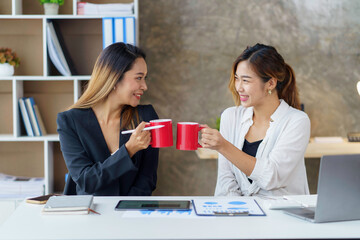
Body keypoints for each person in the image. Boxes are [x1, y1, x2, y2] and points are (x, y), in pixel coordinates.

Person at [201, 43, 310, 196]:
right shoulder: (230, 117)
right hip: (239, 215)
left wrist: (223, 146)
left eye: (246, 80)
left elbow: (272, 177)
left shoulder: (297, 121)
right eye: (237, 79)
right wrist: (238, 212)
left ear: (270, 83)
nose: (238, 87)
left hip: (282, 217)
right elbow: (226, 181)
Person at [57, 43, 159, 196]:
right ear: (114, 77)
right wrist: (129, 150)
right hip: (90, 212)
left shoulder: (145, 117)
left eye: (144, 78)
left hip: (130, 212)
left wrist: (125, 209)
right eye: (139, 78)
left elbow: (147, 178)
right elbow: (86, 181)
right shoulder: (70, 122)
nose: (144, 86)